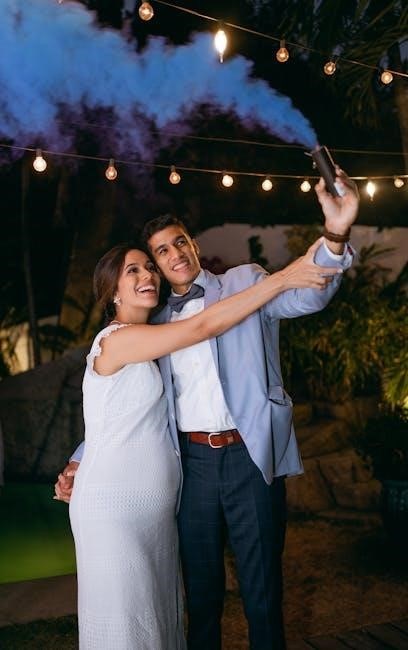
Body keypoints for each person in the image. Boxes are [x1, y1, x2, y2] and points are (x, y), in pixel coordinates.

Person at [56, 170, 359, 649]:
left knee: (262, 595)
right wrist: (80, 458)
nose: (174, 255)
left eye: (179, 243)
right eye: (160, 252)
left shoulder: (245, 281)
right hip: (190, 466)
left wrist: (336, 234)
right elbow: (125, 411)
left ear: (193, 245)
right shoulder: (152, 324)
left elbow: (310, 294)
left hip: (249, 457)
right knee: (200, 600)